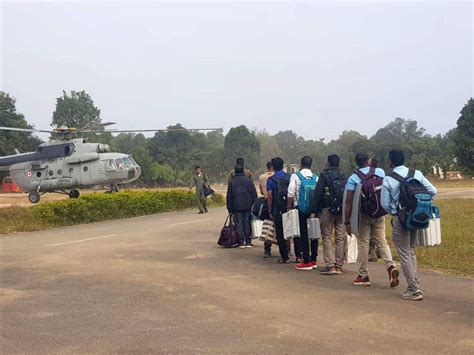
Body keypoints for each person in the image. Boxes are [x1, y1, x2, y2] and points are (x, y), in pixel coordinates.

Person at [381, 149, 437, 301]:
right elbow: (433, 190)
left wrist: (395, 212)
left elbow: (385, 204)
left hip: (401, 217)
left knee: (404, 252)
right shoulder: (416, 173)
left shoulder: (388, 179)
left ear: (391, 162)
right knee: (411, 251)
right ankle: (414, 284)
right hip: (417, 216)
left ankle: (414, 289)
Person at [344, 153, 399, 287]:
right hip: (379, 212)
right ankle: (390, 266)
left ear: (357, 163)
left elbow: (349, 201)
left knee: (363, 243)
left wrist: (346, 221)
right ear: (368, 161)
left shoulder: (353, 178)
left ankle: (364, 275)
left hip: (363, 215)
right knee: (382, 241)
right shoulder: (380, 172)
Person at [312, 154, 346, 275]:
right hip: (342, 209)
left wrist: (314, 209)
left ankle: (330, 265)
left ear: (329, 162)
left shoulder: (325, 175)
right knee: (340, 237)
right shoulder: (344, 174)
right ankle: (339, 265)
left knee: (327, 236)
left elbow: (318, 193)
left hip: (327, 208)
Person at [288, 156, 318, 270]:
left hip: (300, 208)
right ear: (311, 165)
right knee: (314, 233)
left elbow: (290, 193)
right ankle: (314, 259)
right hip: (313, 209)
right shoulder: (316, 177)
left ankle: (306, 260)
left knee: (303, 234)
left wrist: (289, 207)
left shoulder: (296, 176)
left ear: (301, 164)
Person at [267, 157, 292, 263]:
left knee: (280, 233)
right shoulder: (290, 177)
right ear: (283, 165)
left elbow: (270, 196)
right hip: (289, 208)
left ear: (272, 167)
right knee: (292, 231)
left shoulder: (271, 180)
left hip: (277, 210)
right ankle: (298, 255)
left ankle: (284, 256)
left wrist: (270, 210)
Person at [227, 164, 258, 248]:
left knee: (239, 223)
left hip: (236, 206)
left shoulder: (232, 182)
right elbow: (254, 194)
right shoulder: (248, 181)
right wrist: (255, 205)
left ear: (235, 171)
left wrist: (229, 208)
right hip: (248, 205)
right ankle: (248, 241)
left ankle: (241, 242)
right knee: (247, 222)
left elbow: (229, 196)